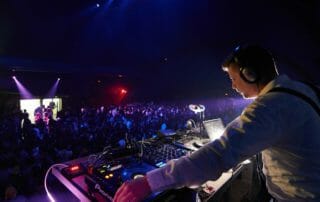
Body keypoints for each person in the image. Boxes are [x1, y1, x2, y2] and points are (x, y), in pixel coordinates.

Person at [113, 45, 320, 202]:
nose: (232, 85)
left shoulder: (271, 106)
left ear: (250, 74)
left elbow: (218, 155)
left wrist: (149, 182)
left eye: (233, 77)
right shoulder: (302, 90)